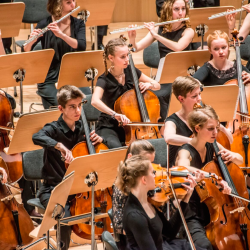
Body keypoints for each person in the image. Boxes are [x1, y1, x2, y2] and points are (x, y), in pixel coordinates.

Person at [32, 85, 104, 250]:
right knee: (64, 215)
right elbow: (37, 137)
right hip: (54, 189)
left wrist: (98, 140)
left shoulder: (81, 128)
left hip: (78, 189)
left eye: (79, 105)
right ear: (61, 108)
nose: (78, 110)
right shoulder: (53, 129)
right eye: (72, 106)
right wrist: (59, 146)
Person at [174, 105, 242, 250]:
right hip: (193, 212)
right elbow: (183, 167)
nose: (215, 132)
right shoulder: (185, 151)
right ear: (197, 129)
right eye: (210, 129)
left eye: (217, 128)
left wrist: (234, 155)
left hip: (215, 206)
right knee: (204, 246)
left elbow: (240, 160)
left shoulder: (213, 145)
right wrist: (213, 176)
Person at [116, 154, 205, 250]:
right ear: (144, 180)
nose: (155, 175)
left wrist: (186, 199)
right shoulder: (135, 216)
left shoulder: (148, 200)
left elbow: (170, 232)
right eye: (152, 172)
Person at [129, 0, 194, 123]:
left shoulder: (188, 31)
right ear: (168, 10)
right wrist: (132, 38)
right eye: (176, 9)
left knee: (165, 94)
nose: (181, 13)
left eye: (183, 9)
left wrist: (156, 35)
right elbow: (136, 48)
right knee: (150, 94)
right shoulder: (159, 28)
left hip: (182, 78)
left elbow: (178, 47)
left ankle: (172, 124)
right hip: (164, 78)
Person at [91, 37, 161, 149]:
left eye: (127, 55)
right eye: (122, 57)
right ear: (111, 58)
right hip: (109, 126)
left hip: (131, 125)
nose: (127, 59)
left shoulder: (131, 71)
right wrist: (115, 114)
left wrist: (149, 85)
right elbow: (94, 101)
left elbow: (157, 85)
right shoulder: (104, 79)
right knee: (119, 149)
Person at [23, 0, 90, 109]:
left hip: (73, 74)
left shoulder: (79, 24)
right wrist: (30, 41)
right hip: (50, 78)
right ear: (58, 5)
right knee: (67, 104)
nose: (73, 5)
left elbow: (81, 45)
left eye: (74, 0)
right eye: (68, 2)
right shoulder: (44, 24)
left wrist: (61, 35)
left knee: (87, 101)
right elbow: (26, 50)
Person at [164, 76, 232, 167]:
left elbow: (230, 140)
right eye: (194, 96)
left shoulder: (205, 117)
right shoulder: (172, 120)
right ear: (181, 99)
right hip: (181, 171)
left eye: (199, 94)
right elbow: (168, 137)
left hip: (204, 169)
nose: (199, 99)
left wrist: (220, 126)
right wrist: (197, 142)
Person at [113, 140, 156, 250]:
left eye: (152, 163)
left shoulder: (148, 178)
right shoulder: (122, 187)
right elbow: (119, 226)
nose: (152, 168)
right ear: (130, 157)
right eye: (145, 162)